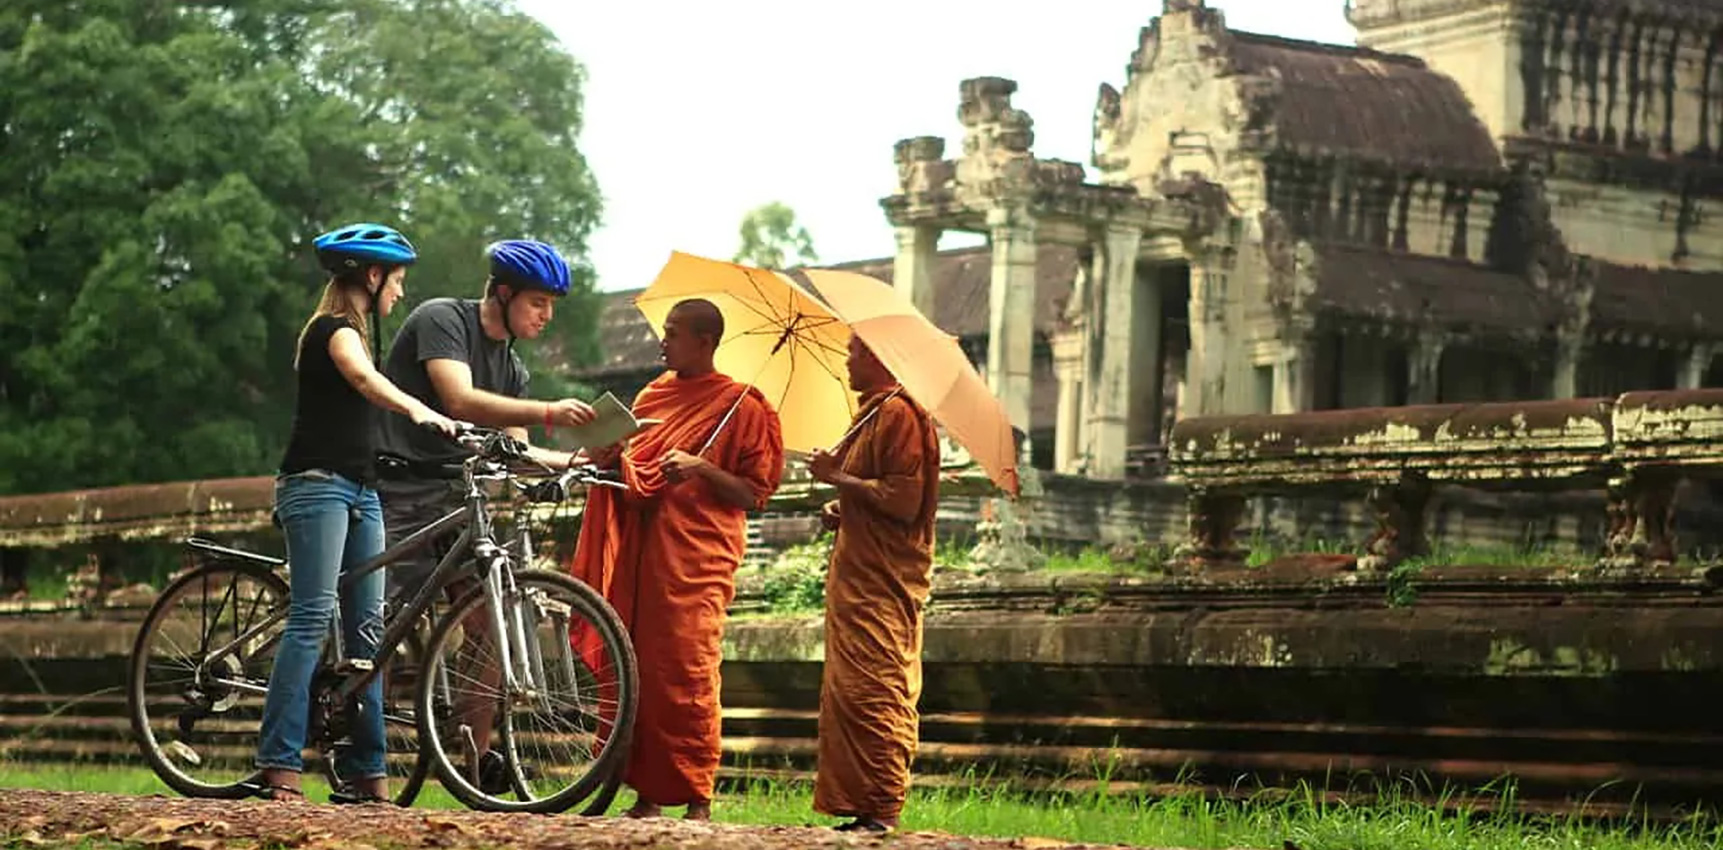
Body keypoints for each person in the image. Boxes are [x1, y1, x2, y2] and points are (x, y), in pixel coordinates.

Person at [371, 238, 597, 792]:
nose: (546, 315)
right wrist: (549, 411)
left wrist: (571, 462)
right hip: (393, 488)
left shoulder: (513, 368)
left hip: (453, 496)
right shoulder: (442, 319)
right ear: (503, 293)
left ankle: (473, 757)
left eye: (551, 306)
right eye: (538, 303)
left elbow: (514, 451)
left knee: (492, 622)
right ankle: (353, 740)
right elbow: (459, 400)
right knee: (372, 620)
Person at [254, 222, 460, 804]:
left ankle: (369, 775)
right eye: (396, 281)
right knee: (313, 616)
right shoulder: (334, 331)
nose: (399, 293)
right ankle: (279, 764)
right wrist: (420, 409)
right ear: (371, 276)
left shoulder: (359, 332)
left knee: (369, 633)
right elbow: (364, 380)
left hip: (363, 491)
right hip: (316, 486)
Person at [568, 298, 786, 821]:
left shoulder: (743, 406)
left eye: (673, 333)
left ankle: (698, 795)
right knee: (639, 671)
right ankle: (646, 794)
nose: (663, 342)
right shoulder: (653, 396)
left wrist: (702, 469)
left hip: (698, 560)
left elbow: (756, 493)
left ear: (705, 341)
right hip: (646, 555)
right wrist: (612, 455)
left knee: (687, 672)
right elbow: (637, 477)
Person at [805, 336, 941, 834]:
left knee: (877, 689)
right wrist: (841, 506)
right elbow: (875, 494)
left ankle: (882, 808)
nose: (846, 361)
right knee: (852, 691)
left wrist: (837, 477)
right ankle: (864, 806)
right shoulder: (871, 413)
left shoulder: (901, 414)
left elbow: (904, 501)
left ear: (882, 357)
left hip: (884, 583)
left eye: (854, 353)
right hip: (859, 575)